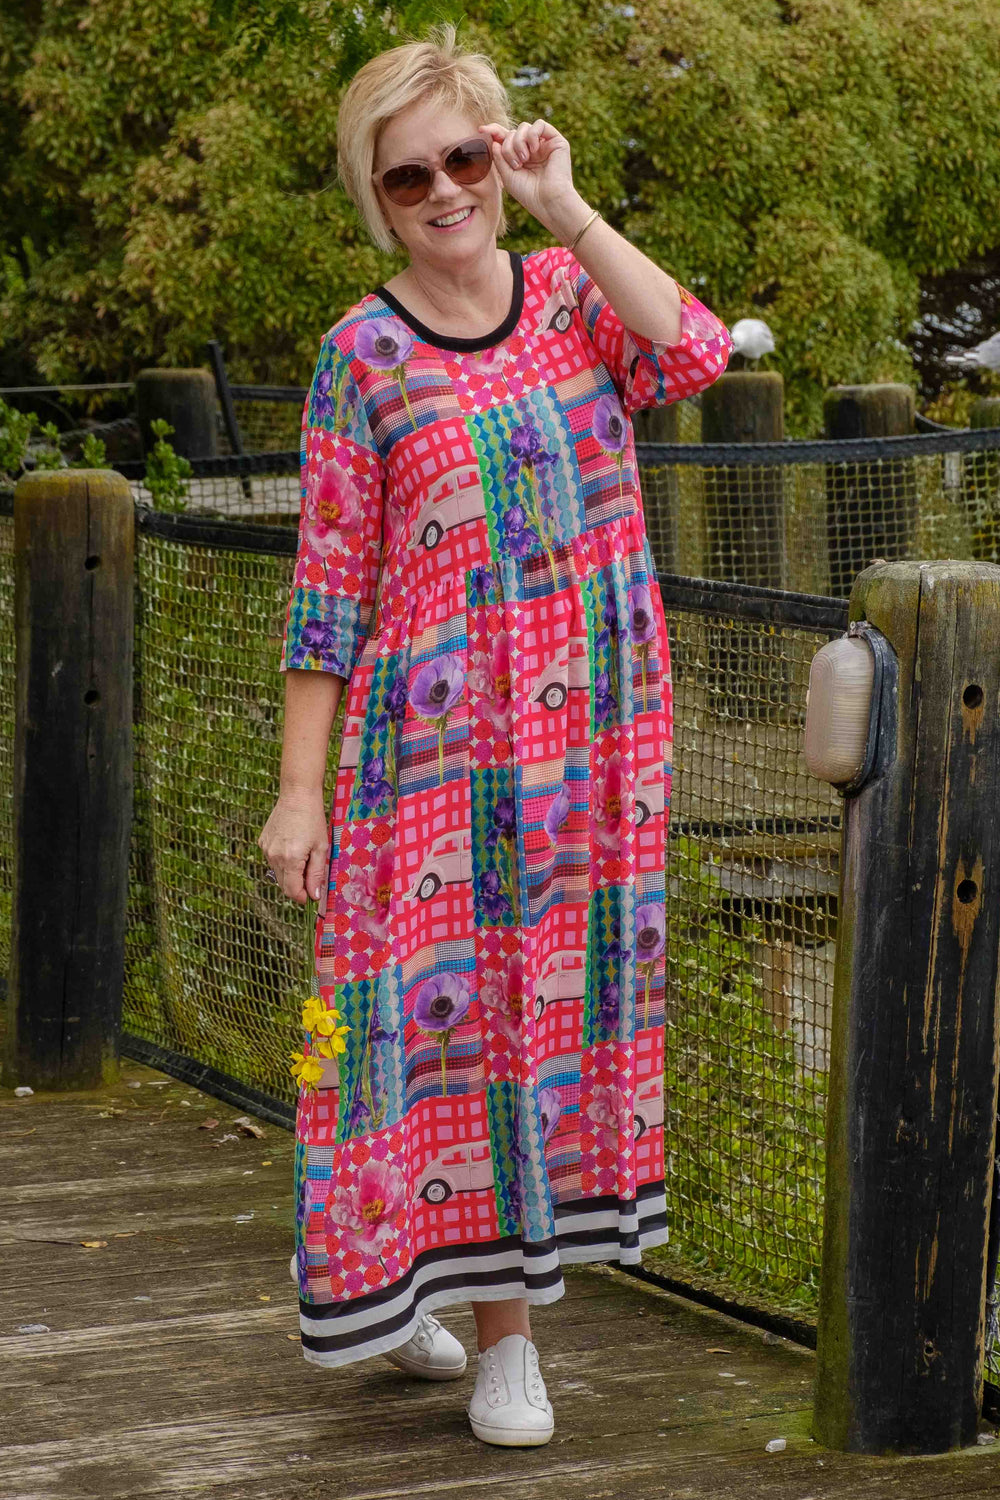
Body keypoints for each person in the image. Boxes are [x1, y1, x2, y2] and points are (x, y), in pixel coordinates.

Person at [258, 20, 732, 1449]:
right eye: (410, 176)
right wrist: (299, 794)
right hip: (428, 757)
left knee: (540, 1020)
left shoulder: (574, 302)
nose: (446, 190)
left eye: (465, 156)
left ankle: (510, 1339)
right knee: (410, 1033)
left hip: (589, 745)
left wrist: (566, 207)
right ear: (376, 195)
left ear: (497, 150)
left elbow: (695, 348)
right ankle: (408, 1284)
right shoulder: (360, 355)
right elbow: (328, 586)